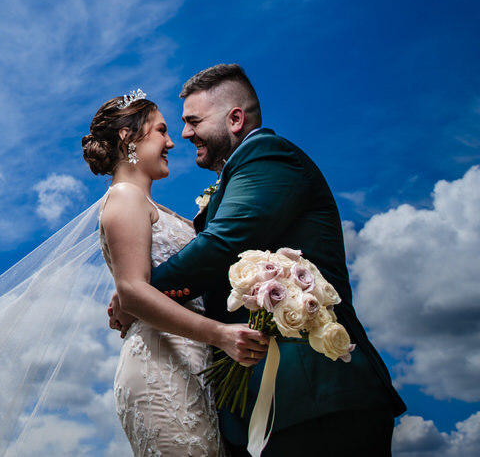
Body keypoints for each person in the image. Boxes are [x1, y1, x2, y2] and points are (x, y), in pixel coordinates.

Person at [113, 64, 405, 456]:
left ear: (235, 119)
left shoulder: (268, 157)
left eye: (193, 121)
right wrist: (136, 293)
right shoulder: (238, 174)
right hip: (262, 405)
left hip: (313, 394)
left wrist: (138, 292)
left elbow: (220, 245)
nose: (184, 135)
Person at [88, 90, 268, 457]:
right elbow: (133, 290)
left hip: (188, 363)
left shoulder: (146, 203)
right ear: (128, 137)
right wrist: (221, 334)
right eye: (161, 131)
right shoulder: (125, 197)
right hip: (161, 365)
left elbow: (144, 280)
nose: (171, 142)